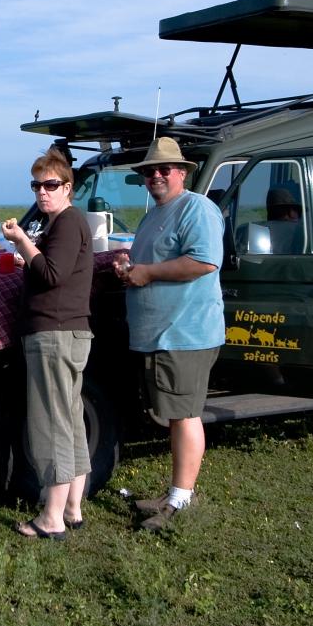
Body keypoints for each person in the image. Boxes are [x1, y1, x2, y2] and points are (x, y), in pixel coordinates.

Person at [113, 136, 224, 531]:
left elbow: (204, 262)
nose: (156, 175)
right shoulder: (154, 214)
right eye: (149, 171)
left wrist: (149, 272)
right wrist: (130, 266)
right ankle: (174, 491)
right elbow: (152, 264)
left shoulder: (196, 209)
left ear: (182, 173)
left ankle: (180, 500)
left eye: (164, 169)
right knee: (176, 415)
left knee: (185, 415)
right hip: (161, 334)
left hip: (185, 333)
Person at [2, 147, 94, 540]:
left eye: (50, 185)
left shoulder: (68, 222)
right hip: (67, 332)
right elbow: (54, 268)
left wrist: (23, 240)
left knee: (52, 423)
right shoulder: (63, 223)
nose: (42, 192)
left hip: (55, 333)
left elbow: (52, 275)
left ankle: (51, 517)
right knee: (70, 421)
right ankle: (72, 507)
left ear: (67, 187)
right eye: (36, 185)